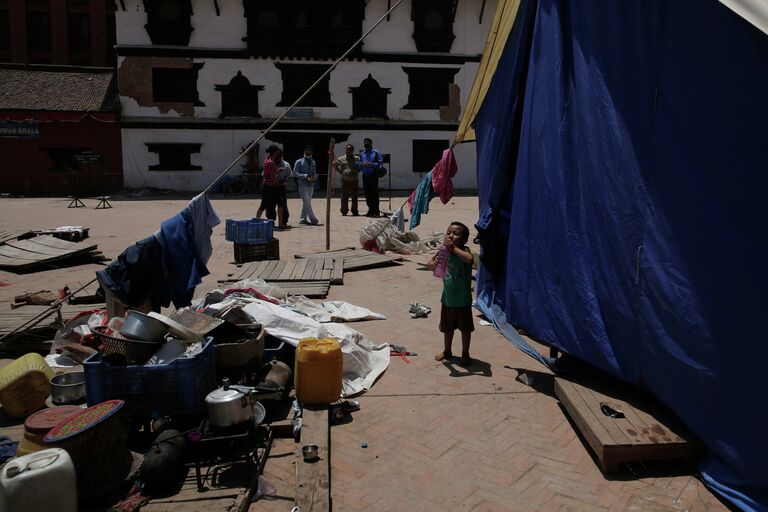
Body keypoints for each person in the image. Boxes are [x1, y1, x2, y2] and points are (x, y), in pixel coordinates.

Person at [427, 222, 475, 366]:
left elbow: (470, 260)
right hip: (447, 299)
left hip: (463, 301)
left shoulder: (465, 250)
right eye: (448, 233)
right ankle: (447, 351)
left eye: (456, 233)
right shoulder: (443, 251)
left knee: (465, 330)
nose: (451, 236)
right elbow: (429, 264)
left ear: (464, 240)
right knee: (447, 329)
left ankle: (465, 353)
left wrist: (453, 248)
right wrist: (434, 263)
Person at [256, 145, 283, 223]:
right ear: (274, 152)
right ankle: (280, 223)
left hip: (267, 186)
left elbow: (269, 173)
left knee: (265, 204)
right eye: (277, 152)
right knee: (265, 205)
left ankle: (256, 220)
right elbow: (272, 176)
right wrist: (277, 183)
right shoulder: (271, 162)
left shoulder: (267, 160)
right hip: (270, 186)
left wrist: (277, 171)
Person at [293, 145, 318, 225]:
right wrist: (304, 176)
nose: (308, 151)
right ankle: (313, 219)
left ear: (312, 152)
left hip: (311, 184)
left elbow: (314, 173)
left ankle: (303, 219)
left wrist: (314, 178)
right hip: (302, 184)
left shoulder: (313, 162)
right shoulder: (299, 161)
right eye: (307, 150)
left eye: (310, 150)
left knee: (306, 202)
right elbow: (295, 173)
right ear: (304, 151)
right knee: (307, 202)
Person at [333, 144, 360, 216]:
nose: (348, 151)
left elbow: (360, 166)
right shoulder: (341, 159)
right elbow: (334, 164)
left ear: (353, 151)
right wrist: (340, 171)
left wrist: (357, 171)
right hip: (345, 180)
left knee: (355, 196)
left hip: (354, 180)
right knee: (344, 196)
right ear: (345, 150)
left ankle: (354, 211)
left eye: (350, 150)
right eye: (347, 149)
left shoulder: (357, 158)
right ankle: (344, 211)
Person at [359, 137, 383, 217]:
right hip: (365, 176)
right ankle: (370, 210)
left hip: (373, 175)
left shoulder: (376, 152)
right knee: (367, 194)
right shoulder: (362, 153)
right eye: (364, 143)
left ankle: (376, 211)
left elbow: (380, 163)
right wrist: (363, 165)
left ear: (371, 143)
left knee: (374, 194)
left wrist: (371, 164)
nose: (366, 144)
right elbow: (359, 164)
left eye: (367, 143)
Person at [275, 148, 292, 229]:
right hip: (272, 187)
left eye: (279, 155)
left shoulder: (286, 165)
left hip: (282, 188)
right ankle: (271, 222)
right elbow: (264, 175)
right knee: (270, 206)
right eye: (276, 155)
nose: (278, 157)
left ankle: (283, 223)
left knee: (283, 206)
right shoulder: (270, 163)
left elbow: (289, 176)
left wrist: (285, 180)